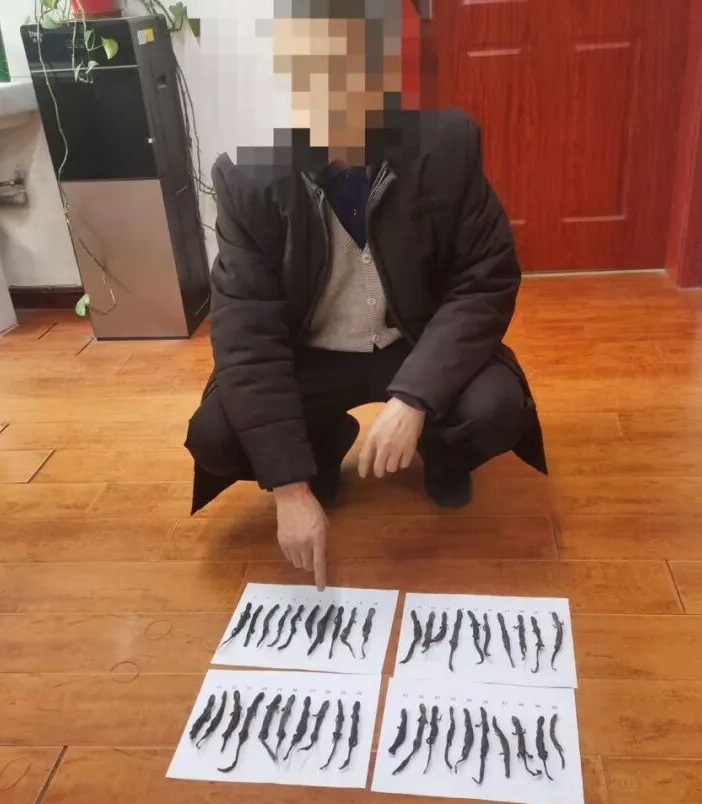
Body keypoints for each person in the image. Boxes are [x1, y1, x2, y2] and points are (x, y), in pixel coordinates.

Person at [185, 0, 546, 589]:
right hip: (313, 356)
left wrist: (416, 398)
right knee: (216, 435)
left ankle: (443, 456)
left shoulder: (446, 146)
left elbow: (485, 279)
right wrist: (289, 487)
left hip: (413, 341)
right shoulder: (248, 181)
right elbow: (247, 340)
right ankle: (320, 448)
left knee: (495, 407)